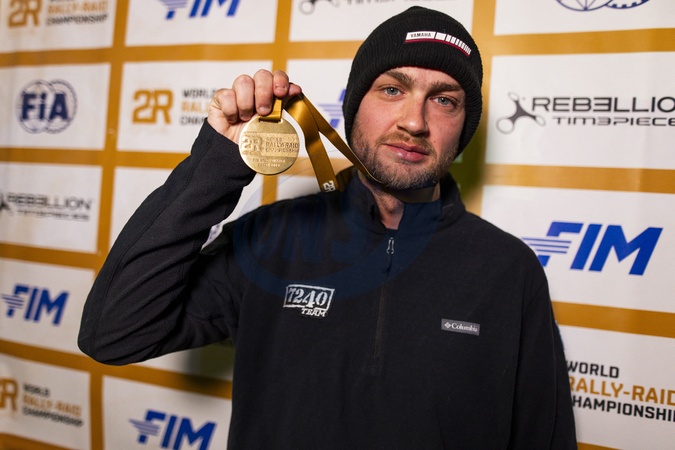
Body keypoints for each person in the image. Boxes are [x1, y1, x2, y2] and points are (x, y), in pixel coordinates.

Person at [79, 6, 577, 449]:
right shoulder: (270, 240)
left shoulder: (508, 270)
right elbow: (114, 334)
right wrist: (218, 163)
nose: (414, 122)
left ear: (464, 126)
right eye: (392, 89)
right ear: (354, 105)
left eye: (444, 100)